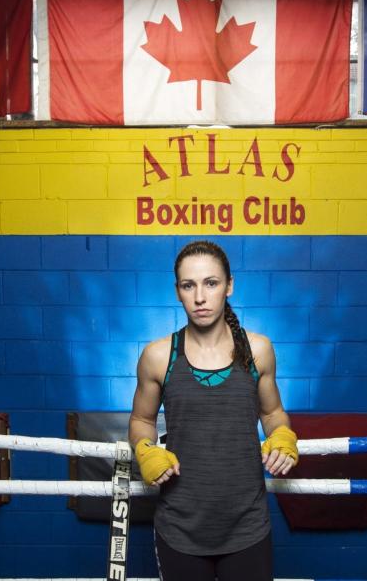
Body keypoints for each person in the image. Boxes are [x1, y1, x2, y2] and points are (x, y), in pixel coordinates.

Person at [128, 240, 299, 581]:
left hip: (247, 526)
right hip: (180, 527)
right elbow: (141, 420)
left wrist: (282, 434)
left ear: (229, 286)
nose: (200, 297)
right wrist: (145, 450)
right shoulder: (159, 355)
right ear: (177, 291)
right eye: (189, 285)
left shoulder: (259, 350)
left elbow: (274, 412)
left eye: (211, 283)